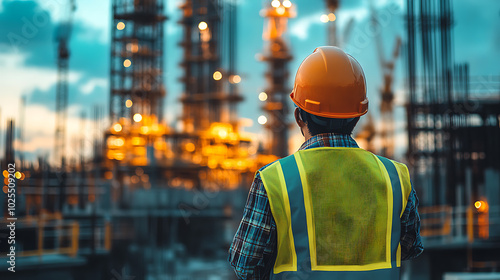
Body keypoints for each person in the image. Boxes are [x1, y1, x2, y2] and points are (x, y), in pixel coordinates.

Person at [228, 46, 423, 279]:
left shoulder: (274, 179)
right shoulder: (395, 176)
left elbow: (245, 264)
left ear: (299, 116)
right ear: (357, 116)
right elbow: (411, 246)